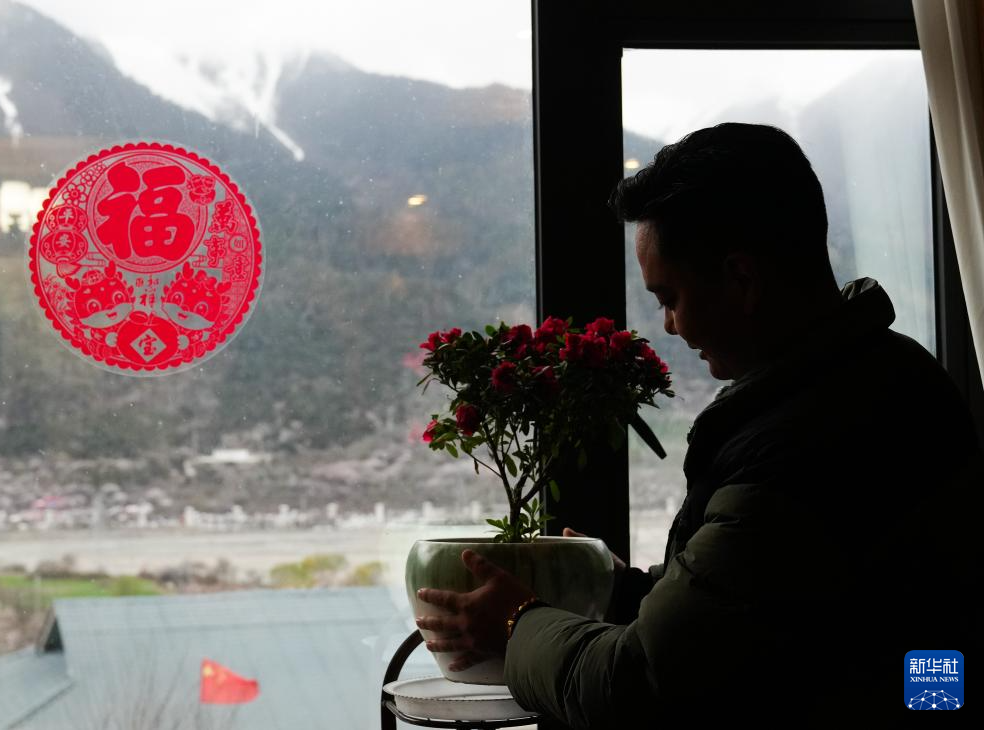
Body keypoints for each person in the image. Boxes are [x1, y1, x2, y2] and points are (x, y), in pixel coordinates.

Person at [415, 122, 983, 726]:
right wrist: (617, 589)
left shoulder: (805, 443)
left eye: (670, 298)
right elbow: (757, 611)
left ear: (742, 279)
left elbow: (640, 683)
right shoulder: (883, 377)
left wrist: (515, 624)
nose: (669, 326)